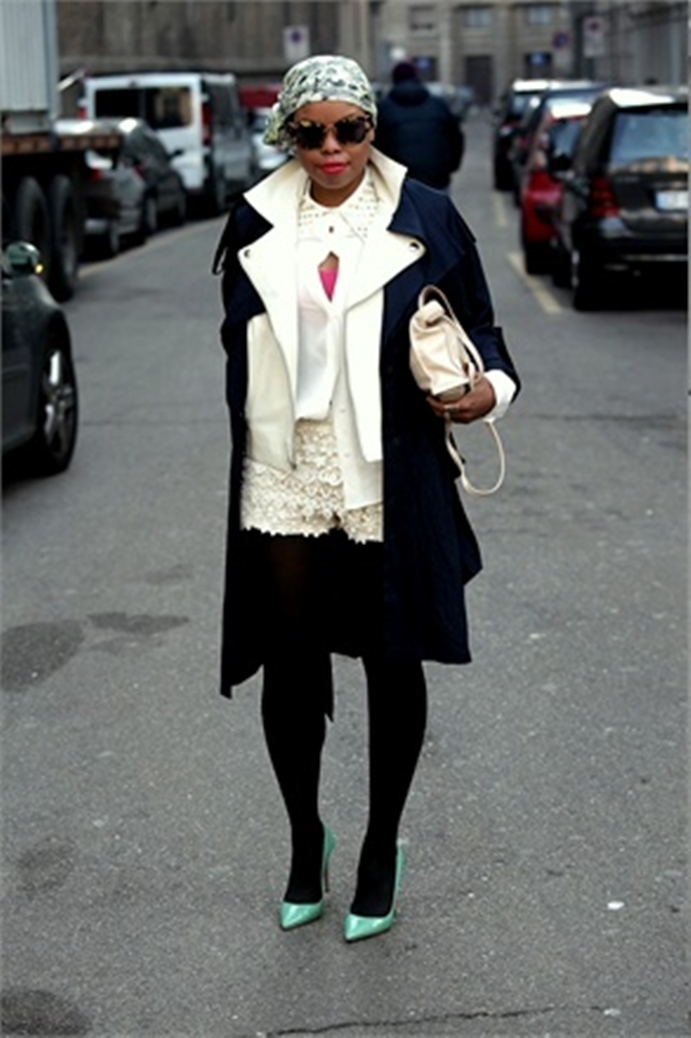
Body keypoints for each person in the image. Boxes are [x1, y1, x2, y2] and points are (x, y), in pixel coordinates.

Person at [212, 54, 519, 943]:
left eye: (349, 128)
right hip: (286, 465)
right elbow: (237, 340)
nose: (332, 147)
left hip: (388, 464)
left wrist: (488, 389)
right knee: (288, 659)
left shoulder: (425, 214)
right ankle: (304, 838)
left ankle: (382, 844)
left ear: (372, 128)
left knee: (392, 655)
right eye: (310, 132)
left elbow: (483, 329)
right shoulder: (256, 217)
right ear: (287, 136)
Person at [374, 60, 465, 191]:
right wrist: (450, 166)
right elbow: (455, 138)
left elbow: (375, 146)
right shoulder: (438, 106)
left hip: (398, 181)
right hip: (435, 178)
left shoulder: (383, 110)